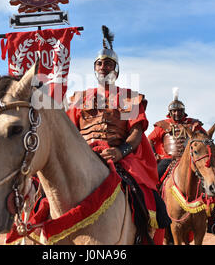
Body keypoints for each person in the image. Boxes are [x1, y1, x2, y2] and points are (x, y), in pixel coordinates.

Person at [66, 25, 168, 244]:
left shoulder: (129, 97)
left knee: (149, 199)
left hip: (118, 158)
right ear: (94, 68)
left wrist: (120, 152)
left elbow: (136, 133)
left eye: (109, 63)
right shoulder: (78, 97)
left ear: (117, 69)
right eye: (99, 63)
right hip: (81, 156)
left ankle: (143, 236)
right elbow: (69, 131)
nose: (103, 67)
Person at [147, 88, 215, 235]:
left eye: (179, 111)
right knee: (153, 182)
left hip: (191, 162)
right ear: (170, 113)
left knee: (208, 184)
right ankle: (151, 216)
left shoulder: (194, 124)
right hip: (168, 160)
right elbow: (148, 141)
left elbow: (204, 139)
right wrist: (155, 156)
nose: (177, 113)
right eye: (174, 111)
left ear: (184, 111)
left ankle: (211, 221)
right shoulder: (162, 126)